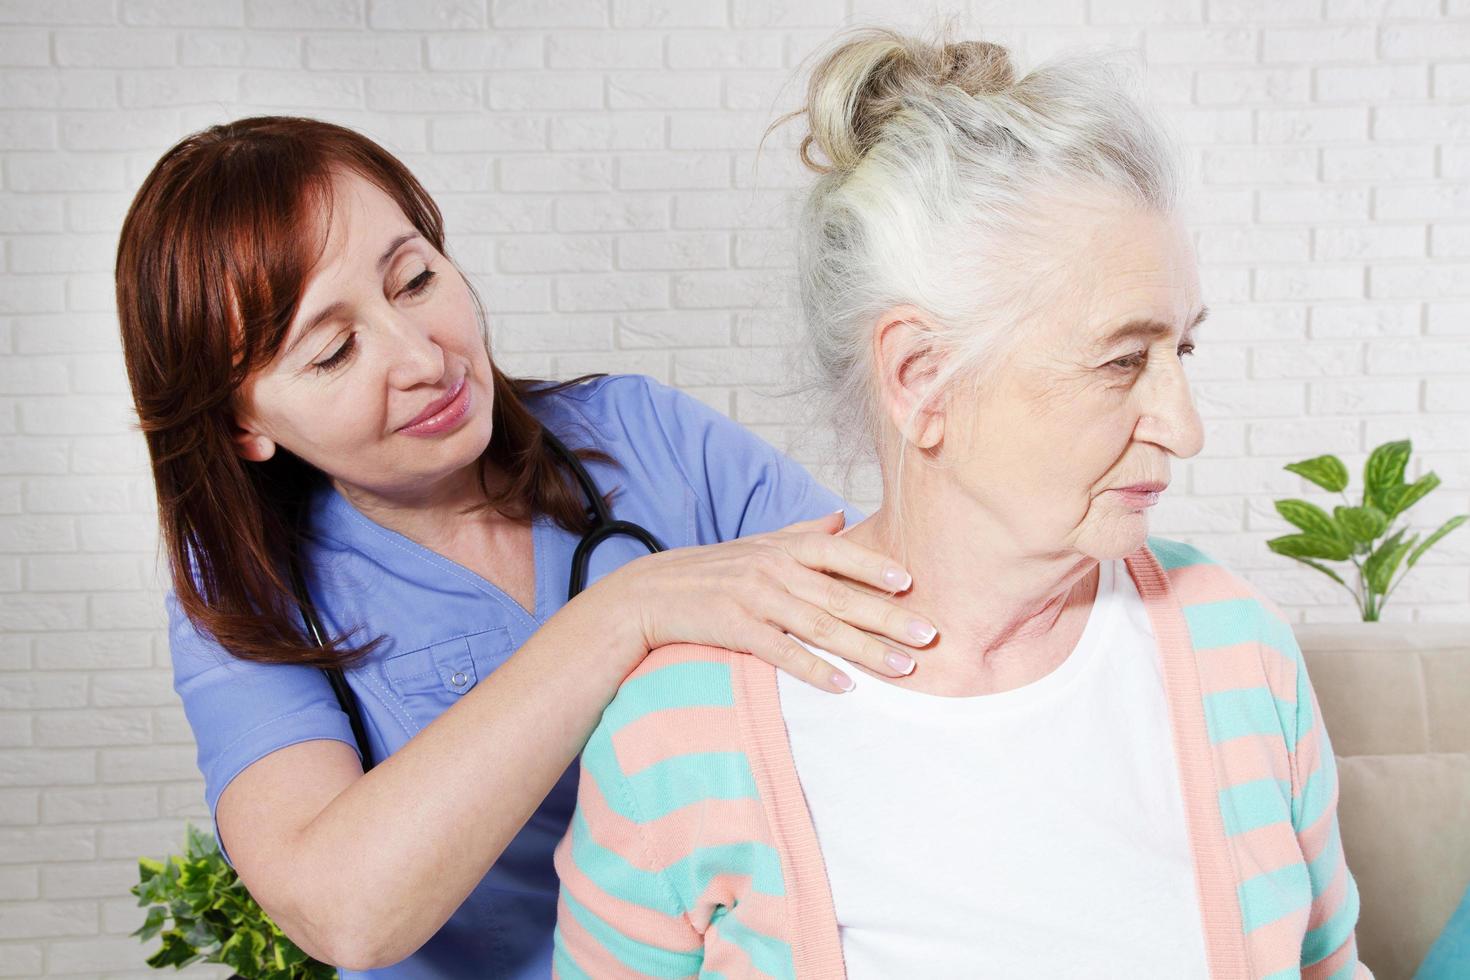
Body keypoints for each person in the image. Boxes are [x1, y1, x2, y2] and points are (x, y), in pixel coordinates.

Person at [553, 29, 1372, 979]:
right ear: (922, 379)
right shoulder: (681, 729)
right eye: (1122, 360)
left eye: (1179, 351)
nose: (1183, 428)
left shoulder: (1238, 650)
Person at [114, 116, 942, 977]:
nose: (421, 358)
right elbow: (343, 913)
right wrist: (625, 613)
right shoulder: (247, 598)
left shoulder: (643, 438)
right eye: (333, 352)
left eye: (414, 279)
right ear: (243, 422)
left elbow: (899, 622)